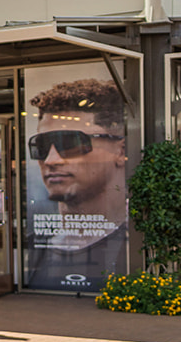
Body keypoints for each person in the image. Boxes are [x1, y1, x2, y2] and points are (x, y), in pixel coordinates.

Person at [25, 79, 129, 289]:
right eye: (42, 146)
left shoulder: (136, 238)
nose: (51, 160)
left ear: (120, 150)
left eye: (70, 142)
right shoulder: (37, 242)